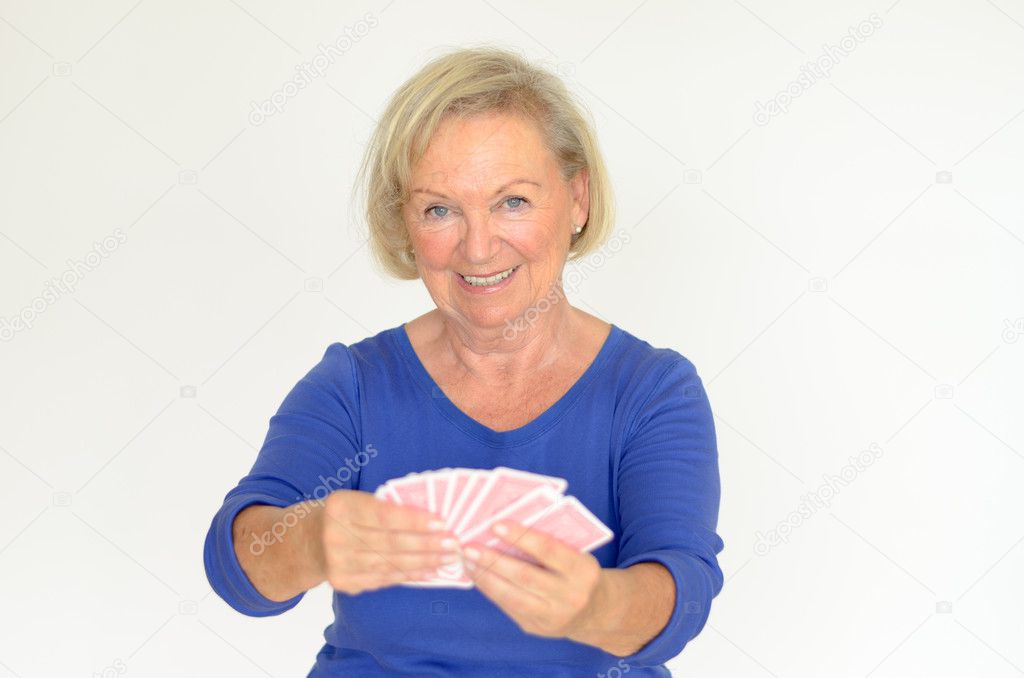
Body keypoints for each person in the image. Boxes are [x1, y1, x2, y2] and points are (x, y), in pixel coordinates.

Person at [203, 45, 724, 677]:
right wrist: (310, 541)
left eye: (513, 201)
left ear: (577, 199)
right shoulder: (354, 387)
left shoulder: (651, 391)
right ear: (405, 220)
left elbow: (683, 590)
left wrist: (595, 604)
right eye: (440, 209)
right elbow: (238, 571)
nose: (478, 247)